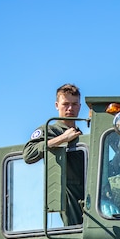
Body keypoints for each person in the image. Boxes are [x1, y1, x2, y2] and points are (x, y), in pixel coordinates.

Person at [23, 83, 85, 225]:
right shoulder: (50, 131)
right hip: (68, 194)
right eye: (66, 104)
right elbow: (28, 153)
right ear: (57, 105)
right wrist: (62, 139)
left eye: (75, 104)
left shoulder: (83, 136)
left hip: (88, 196)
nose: (70, 108)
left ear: (80, 107)